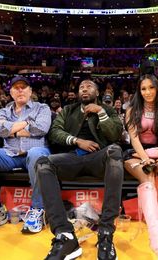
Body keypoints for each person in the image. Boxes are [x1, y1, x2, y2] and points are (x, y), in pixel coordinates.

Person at [35, 79, 124, 260]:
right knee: (43, 162)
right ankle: (64, 235)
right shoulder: (68, 110)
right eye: (81, 87)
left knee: (115, 150)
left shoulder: (107, 110)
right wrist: (77, 141)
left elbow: (115, 135)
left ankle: (106, 231)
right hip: (73, 158)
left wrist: (101, 112)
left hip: (99, 159)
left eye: (89, 86)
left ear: (97, 93)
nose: (84, 89)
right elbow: (55, 132)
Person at [124, 74, 158, 256]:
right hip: (135, 154)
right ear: (139, 90)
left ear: (157, 89)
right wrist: (144, 157)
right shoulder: (131, 111)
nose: (147, 92)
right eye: (143, 88)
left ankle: (156, 206)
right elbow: (134, 139)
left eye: (151, 88)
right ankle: (156, 239)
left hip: (156, 152)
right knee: (148, 174)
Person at [0, 75, 51, 232]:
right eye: (16, 88)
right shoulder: (3, 110)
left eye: (23, 87)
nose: (20, 90)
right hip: (10, 154)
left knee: (35, 154)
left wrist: (11, 131)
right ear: (11, 92)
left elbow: (41, 128)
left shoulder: (42, 108)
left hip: (36, 151)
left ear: (30, 91)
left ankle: (37, 209)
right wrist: (28, 123)